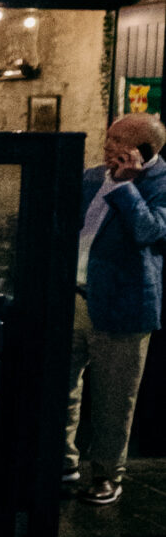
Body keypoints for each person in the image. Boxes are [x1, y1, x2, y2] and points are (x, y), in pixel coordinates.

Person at [64, 111, 166, 507]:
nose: (106, 147)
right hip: (74, 295)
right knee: (62, 388)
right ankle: (63, 463)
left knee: (113, 399)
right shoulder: (91, 177)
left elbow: (151, 232)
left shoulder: (160, 183)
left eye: (116, 141)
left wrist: (126, 188)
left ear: (143, 149)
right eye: (106, 139)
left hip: (124, 304)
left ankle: (107, 475)